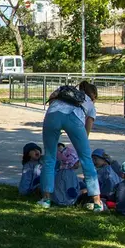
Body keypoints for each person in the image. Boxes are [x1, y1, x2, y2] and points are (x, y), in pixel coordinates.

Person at [38, 82, 103, 211]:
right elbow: (86, 131)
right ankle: (97, 202)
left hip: (52, 115)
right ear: (94, 95)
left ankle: (46, 199)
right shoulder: (89, 103)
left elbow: (51, 98)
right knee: (86, 159)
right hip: (74, 118)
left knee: (50, 157)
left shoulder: (66, 92)